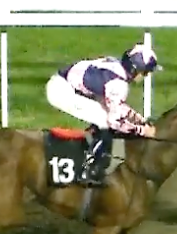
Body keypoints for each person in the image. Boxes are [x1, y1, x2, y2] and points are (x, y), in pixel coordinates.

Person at [44, 41, 163, 185]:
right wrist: (143, 131)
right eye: (145, 72)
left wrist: (139, 118)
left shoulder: (116, 67)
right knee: (104, 121)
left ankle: (89, 147)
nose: (145, 76)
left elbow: (117, 106)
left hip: (66, 84)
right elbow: (115, 122)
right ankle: (88, 169)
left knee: (104, 115)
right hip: (61, 90)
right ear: (135, 69)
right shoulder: (118, 84)